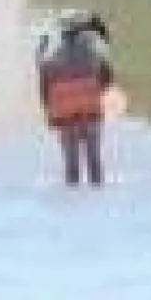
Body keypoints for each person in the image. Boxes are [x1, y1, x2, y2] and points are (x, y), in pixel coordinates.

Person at [38, 21, 115, 187]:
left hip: (65, 115)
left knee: (71, 162)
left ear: (63, 38)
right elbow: (108, 80)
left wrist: (49, 111)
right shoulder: (94, 55)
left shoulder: (53, 59)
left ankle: (73, 193)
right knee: (94, 158)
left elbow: (44, 84)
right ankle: (97, 191)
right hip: (90, 112)